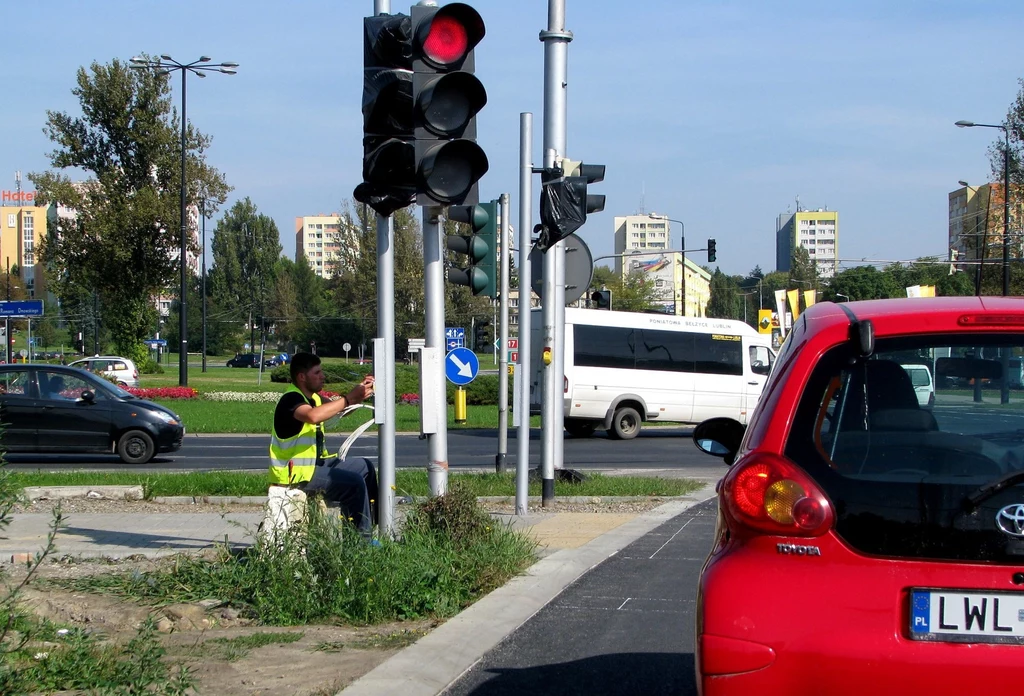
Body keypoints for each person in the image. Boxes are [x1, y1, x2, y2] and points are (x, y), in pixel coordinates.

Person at [269, 352, 378, 536]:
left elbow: (340, 409)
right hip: (295, 475)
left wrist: (360, 391)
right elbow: (313, 416)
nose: (323, 376)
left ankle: (373, 525)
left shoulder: (315, 398)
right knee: (354, 484)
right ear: (302, 377)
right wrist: (349, 398)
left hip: (315, 466)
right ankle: (360, 545)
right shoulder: (291, 399)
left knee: (364, 467)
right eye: (317, 373)